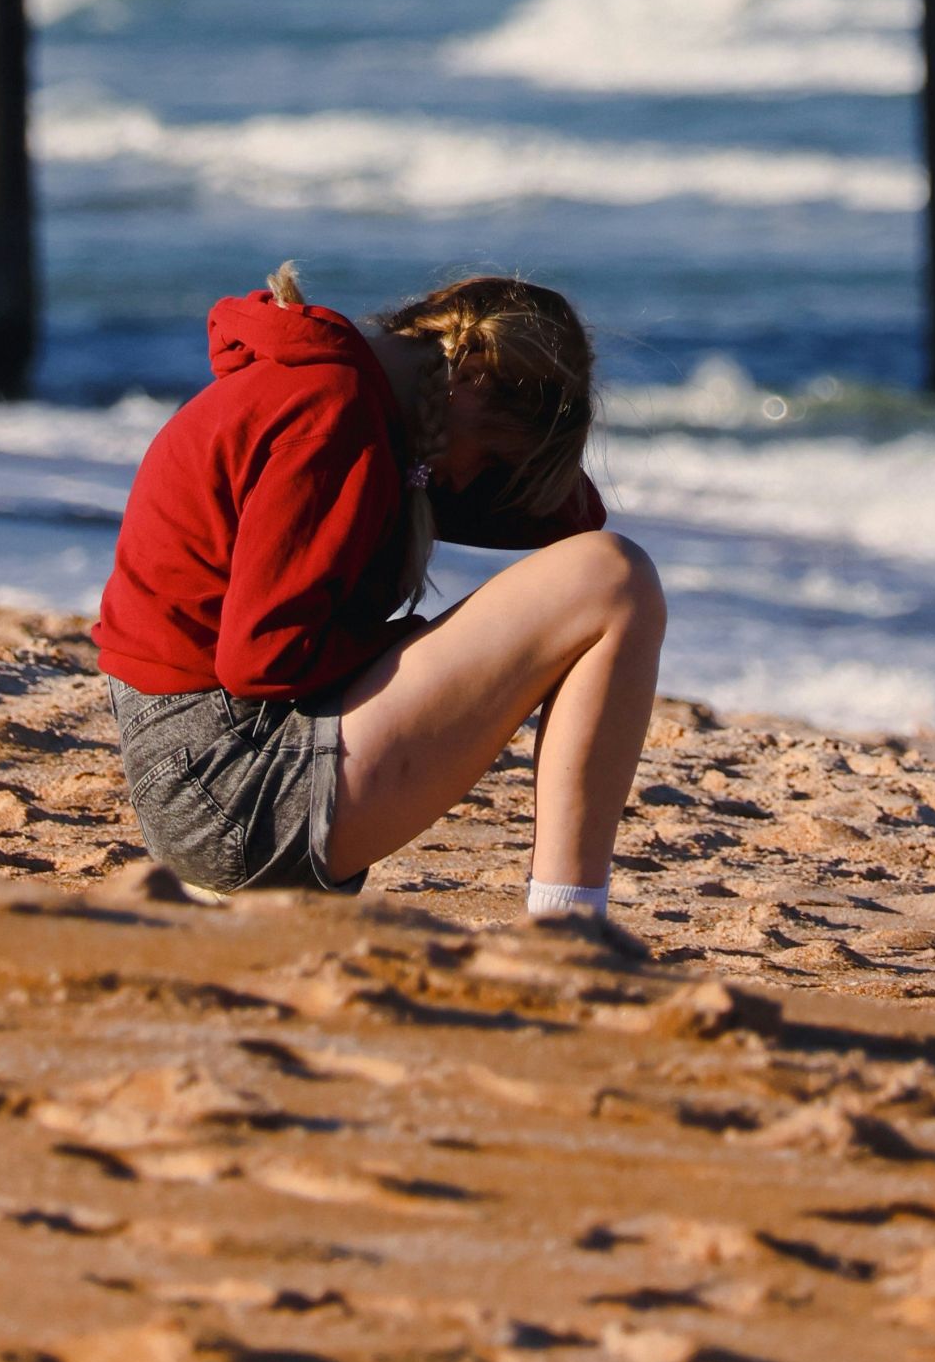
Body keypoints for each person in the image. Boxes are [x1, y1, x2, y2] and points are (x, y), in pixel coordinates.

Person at [95, 264, 666, 921]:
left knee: (605, 571)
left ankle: (569, 920)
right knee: (614, 576)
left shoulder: (362, 408)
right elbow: (262, 658)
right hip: (233, 793)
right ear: (472, 379)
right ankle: (571, 927)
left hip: (205, 780)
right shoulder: (331, 410)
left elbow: (566, 516)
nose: (470, 481)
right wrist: (404, 640)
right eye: (490, 459)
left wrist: (529, 434)